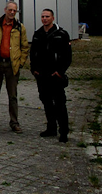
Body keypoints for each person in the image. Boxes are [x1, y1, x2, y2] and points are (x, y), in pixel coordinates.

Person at [0, 1, 29, 133]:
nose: (12, 12)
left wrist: (20, 63)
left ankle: (14, 122)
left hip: (12, 65)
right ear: (5, 10)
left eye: (14, 10)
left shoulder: (20, 27)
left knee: (13, 96)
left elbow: (24, 47)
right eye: (10, 10)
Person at [30, 8, 72, 143]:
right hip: (41, 75)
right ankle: (51, 128)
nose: (44, 19)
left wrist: (60, 72)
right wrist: (34, 69)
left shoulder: (61, 34)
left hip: (55, 76)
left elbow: (67, 56)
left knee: (60, 104)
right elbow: (33, 53)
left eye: (47, 16)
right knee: (46, 102)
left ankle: (64, 131)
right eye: (42, 17)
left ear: (53, 18)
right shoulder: (37, 34)